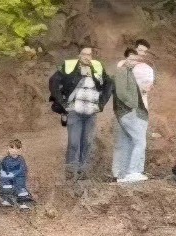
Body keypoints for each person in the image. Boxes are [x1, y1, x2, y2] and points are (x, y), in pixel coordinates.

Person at [50, 44, 110, 179]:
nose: (87, 57)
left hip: (91, 114)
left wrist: (101, 104)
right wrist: (62, 102)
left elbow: (109, 84)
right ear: (79, 55)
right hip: (74, 113)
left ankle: (83, 172)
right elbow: (53, 81)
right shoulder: (70, 67)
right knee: (74, 142)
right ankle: (71, 172)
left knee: (87, 142)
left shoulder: (97, 68)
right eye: (84, 54)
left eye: (89, 54)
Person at [111, 42, 153, 185]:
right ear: (126, 59)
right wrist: (133, 106)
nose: (133, 62)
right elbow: (122, 93)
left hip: (125, 112)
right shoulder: (122, 71)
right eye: (131, 59)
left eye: (135, 60)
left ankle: (122, 173)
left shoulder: (128, 72)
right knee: (140, 141)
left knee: (127, 142)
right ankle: (133, 171)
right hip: (129, 112)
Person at [0, 139, 34, 208]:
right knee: (5, 186)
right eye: (11, 148)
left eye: (17, 148)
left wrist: (13, 174)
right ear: (8, 149)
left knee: (20, 188)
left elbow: (22, 169)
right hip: (8, 178)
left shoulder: (20, 159)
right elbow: (3, 167)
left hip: (18, 177)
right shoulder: (6, 159)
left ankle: (23, 203)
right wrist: (3, 172)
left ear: (20, 150)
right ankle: (8, 200)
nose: (14, 150)